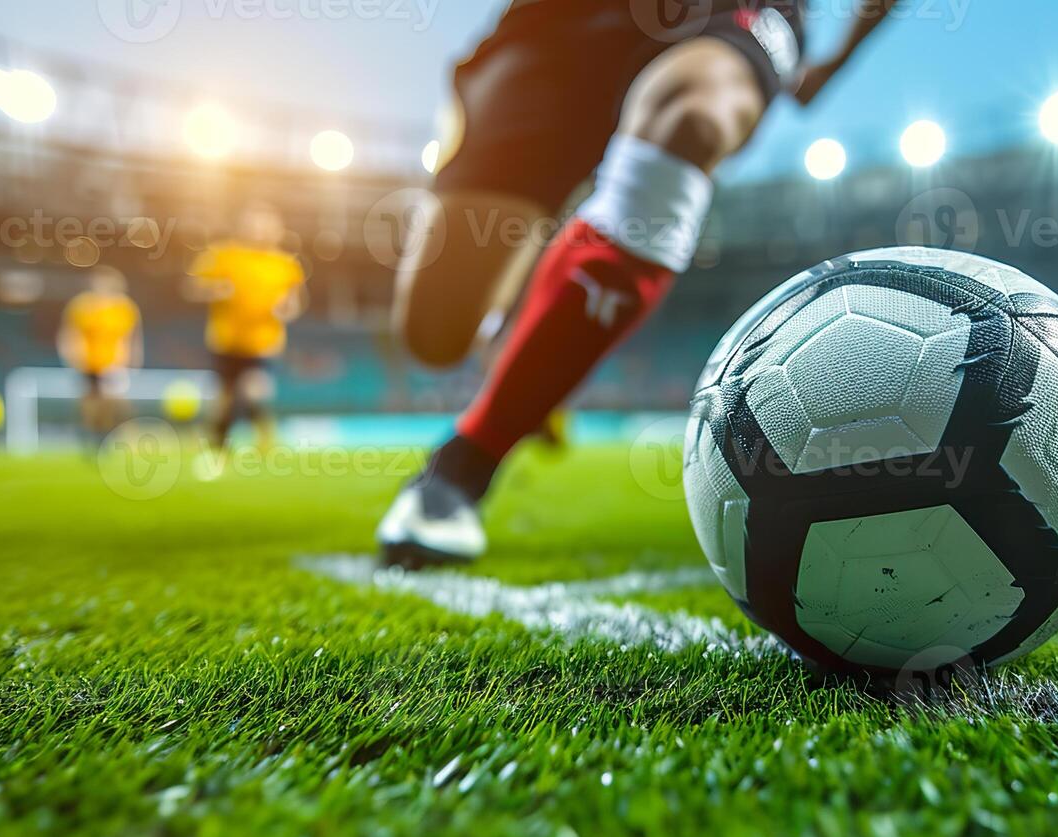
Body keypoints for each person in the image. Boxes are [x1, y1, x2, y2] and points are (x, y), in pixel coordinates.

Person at [376, 0, 899, 567]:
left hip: (731, 13)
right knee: (434, 334)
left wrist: (838, 56)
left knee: (693, 119)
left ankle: (459, 471)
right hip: (557, 22)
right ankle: (523, 326)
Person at [187, 205, 308, 453]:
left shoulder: (286, 264)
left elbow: (296, 302)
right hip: (225, 339)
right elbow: (192, 287)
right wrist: (216, 290)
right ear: (243, 227)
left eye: (266, 226)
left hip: (264, 342)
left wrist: (286, 309)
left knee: (256, 391)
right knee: (224, 399)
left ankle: (265, 443)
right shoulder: (222, 255)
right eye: (254, 224)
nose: (259, 231)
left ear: (278, 230)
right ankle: (218, 444)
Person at [57, 266, 142, 439]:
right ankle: (91, 434)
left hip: (114, 363)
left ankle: (114, 434)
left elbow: (131, 337)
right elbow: (70, 333)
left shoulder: (125, 308)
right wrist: (71, 356)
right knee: (90, 402)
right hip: (87, 362)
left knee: (114, 401)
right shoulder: (81, 306)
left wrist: (133, 360)